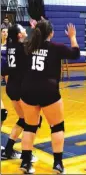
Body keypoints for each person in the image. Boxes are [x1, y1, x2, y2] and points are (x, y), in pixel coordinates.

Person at [20, 20, 80, 174]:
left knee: (29, 127)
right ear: (51, 33)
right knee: (57, 127)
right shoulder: (56, 47)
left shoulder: (27, 46)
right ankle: (58, 164)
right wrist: (72, 37)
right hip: (48, 90)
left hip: (27, 90)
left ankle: (26, 163)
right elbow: (75, 54)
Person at [1, 24, 40, 161]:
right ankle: (26, 155)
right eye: (22, 29)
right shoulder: (23, 48)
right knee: (32, 121)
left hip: (11, 87)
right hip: (21, 88)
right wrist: (37, 29)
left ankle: (8, 150)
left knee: (23, 120)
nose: (25, 30)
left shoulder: (10, 46)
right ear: (19, 35)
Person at [1, 27, 8, 149]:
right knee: (2, 113)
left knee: (3, 113)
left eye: (6, 31)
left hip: (7, 71)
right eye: (3, 31)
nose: (5, 33)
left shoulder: (10, 45)